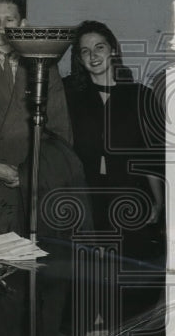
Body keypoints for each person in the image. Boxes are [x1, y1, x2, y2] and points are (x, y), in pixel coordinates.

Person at [0, 0, 73, 233]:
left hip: (32, 183)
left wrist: (29, 175)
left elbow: (61, 134)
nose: (1, 27)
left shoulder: (43, 67)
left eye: (10, 20)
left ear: (23, 24)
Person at [65, 21, 165, 240]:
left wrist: (158, 203)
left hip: (132, 197)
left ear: (113, 50)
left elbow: (152, 158)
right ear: (80, 60)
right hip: (86, 198)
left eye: (99, 47)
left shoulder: (141, 97)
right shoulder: (71, 97)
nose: (93, 55)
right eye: (85, 51)